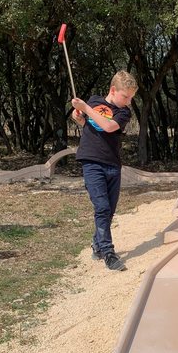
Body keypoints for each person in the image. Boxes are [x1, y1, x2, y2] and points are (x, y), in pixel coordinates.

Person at [71, 70, 138, 271]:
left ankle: (97, 245)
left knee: (109, 210)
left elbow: (108, 127)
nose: (128, 101)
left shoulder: (123, 112)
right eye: (125, 96)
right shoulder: (94, 101)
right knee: (101, 207)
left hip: (113, 165)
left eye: (131, 97)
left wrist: (86, 109)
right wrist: (79, 116)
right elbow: (88, 123)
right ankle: (109, 253)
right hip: (92, 162)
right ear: (113, 90)